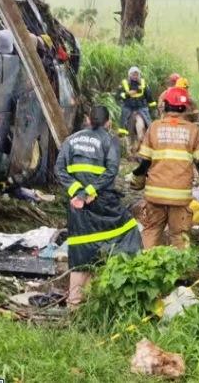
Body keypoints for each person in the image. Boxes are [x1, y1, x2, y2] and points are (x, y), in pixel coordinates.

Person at [55, 105, 141, 307]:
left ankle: (75, 302)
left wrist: (77, 192)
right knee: (129, 233)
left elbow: (59, 169)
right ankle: (119, 293)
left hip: (77, 205)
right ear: (108, 122)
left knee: (81, 248)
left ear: (87, 119)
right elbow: (111, 171)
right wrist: (88, 192)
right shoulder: (110, 140)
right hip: (102, 202)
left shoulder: (71, 140)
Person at [130, 87, 199, 249]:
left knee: (151, 230)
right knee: (179, 236)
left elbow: (143, 162)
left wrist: (137, 183)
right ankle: (177, 271)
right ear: (184, 108)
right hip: (180, 196)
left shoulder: (154, 127)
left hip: (155, 195)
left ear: (165, 105)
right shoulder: (193, 131)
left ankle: (145, 268)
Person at [117, 66, 155, 142]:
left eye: (136, 75)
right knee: (123, 117)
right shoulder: (124, 83)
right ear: (129, 75)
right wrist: (127, 95)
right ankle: (122, 134)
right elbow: (118, 95)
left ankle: (151, 134)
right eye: (133, 74)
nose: (135, 76)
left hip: (141, 106)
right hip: (128, 106)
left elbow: (148, 95)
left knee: (148, 119)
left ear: (139, 75)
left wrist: (152, 105)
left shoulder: (143, 83)